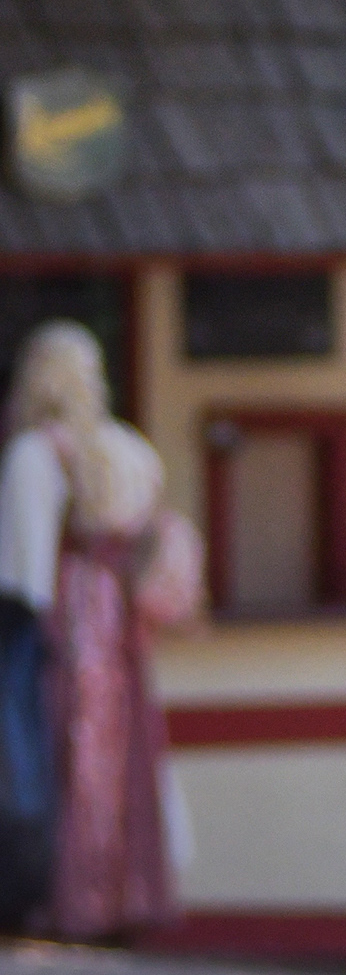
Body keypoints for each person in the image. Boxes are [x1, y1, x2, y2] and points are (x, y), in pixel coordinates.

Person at [0, 322, 196, 938]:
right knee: (123, 757)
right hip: (119, 630)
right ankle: (121, 897)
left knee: (57, 758)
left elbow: (25, 577)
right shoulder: (130, 448)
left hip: (64, 627)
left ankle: (64, 901)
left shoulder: (35, 454)